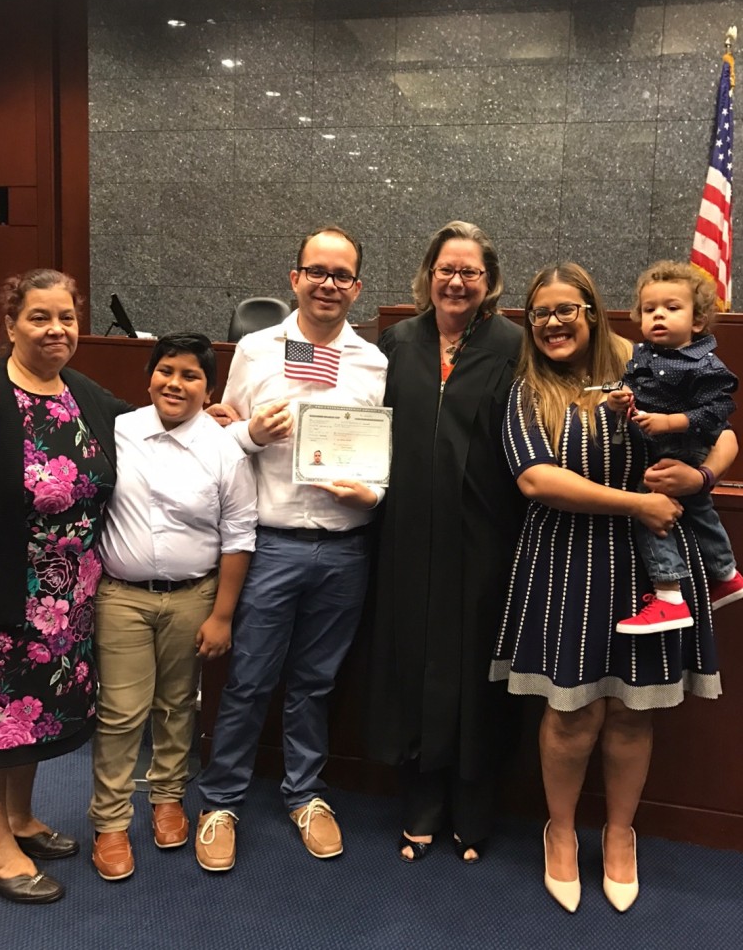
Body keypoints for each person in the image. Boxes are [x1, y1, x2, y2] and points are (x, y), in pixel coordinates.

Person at [490, 262, 736, 913]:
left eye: (567, 308)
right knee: (571, 711)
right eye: (541, 312)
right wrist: (636, 505)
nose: (553, 322)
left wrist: (702, 479)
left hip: (648, 570)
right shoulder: (525, 391)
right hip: (568, 562)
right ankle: (562, 831)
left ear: (594, 312)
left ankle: (621, 833)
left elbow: (725, 431)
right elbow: (537, 481)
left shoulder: (650, 364)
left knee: (632, 709)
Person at [195, 225, 387, 871]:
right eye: (317, 271)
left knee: (315, 681)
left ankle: (305, 794)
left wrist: (375, 494)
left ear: (357, 287)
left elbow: (384, 456)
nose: (328, 284)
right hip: (270, 544)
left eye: (342, 275)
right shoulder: (255, 349)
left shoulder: (374, 361)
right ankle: (220, 801)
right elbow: (218, 444)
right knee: (248, 681)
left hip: (344, 548)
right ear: (294, 277)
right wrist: (249, 432)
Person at [368, 220, 525, 865]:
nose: (456, 281)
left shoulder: (515, 343)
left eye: (470, 272)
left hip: (485, 534)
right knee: (412, 661)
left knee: (473, 664)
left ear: (489, 284)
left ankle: (475, 806)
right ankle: (421, 799)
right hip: (405, 531)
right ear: (427, 275)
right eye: (445, 269)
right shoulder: (399, 340)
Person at [0, 269, 129, 904]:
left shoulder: (83, 395)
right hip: (2, 588)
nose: (56, 329)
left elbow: (144, 428)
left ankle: (19, 818)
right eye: (39, 317)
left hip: (70, 596)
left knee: (34, 713)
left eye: (66, 317)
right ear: (10, 324)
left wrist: (211, 414)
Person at [88, 333, 257, 881]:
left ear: (209, 387)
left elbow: (238, 534)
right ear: (149, 376)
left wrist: (223, 615)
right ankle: (111, 822)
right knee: (119, 714)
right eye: (166, 371)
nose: (175, 383)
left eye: (190, 375)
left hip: (193, 597)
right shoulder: (119, 430)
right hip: (122, 598)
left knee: (178, 705)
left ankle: (167, 797)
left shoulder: (224, 447)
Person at [606, 260, 742, 635]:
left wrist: (672, 421)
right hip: (657, 448)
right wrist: (621, 399)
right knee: (698, 509)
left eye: (672, 308)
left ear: (697, 321)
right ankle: (726, 573)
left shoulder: (703, 363)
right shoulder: (642, 356)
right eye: (650, 310)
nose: (658, 316)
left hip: (686, 448)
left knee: (650, 504)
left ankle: (669, 595)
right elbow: (631, 389)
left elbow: (719, 411)